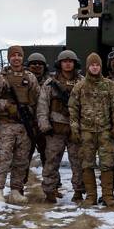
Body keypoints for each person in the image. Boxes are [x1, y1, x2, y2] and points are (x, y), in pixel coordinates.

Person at [70, 52, 114, 205]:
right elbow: (73, 109)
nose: (95, 67)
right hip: (86, 132)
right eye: (92, 65)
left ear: (101, 67)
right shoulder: (80, 86)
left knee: (107, 164)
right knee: (87, 164)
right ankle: (91, 196)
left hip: (105, 131)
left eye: (97, 65)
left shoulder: (109, 85)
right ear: (88, 67)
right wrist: (75, 128)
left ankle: (108, 196)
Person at [0, 45, 41, 204]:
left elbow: (38, 100)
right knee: (3, 157)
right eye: (13, 55)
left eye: (19, 55)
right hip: (7, 124)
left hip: (25, 125)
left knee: (22, 159)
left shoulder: (30, 77)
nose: (16, 58)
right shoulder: (0, 78)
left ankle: (16, 190)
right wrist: (7, 106)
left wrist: (34, 118)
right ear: (9, 58)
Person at [38, 50, 83, 203]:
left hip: (76, 129)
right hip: (55, 130)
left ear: (75, 63)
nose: (68, 64)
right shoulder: (50, 83)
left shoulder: (82, 82)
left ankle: (78, 191)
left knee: (78, 162)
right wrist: (45, 126)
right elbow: (42, 105)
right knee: (51, 162)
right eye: (65, 61)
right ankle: (49, 192)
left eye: (71, 61)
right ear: (60, 64)